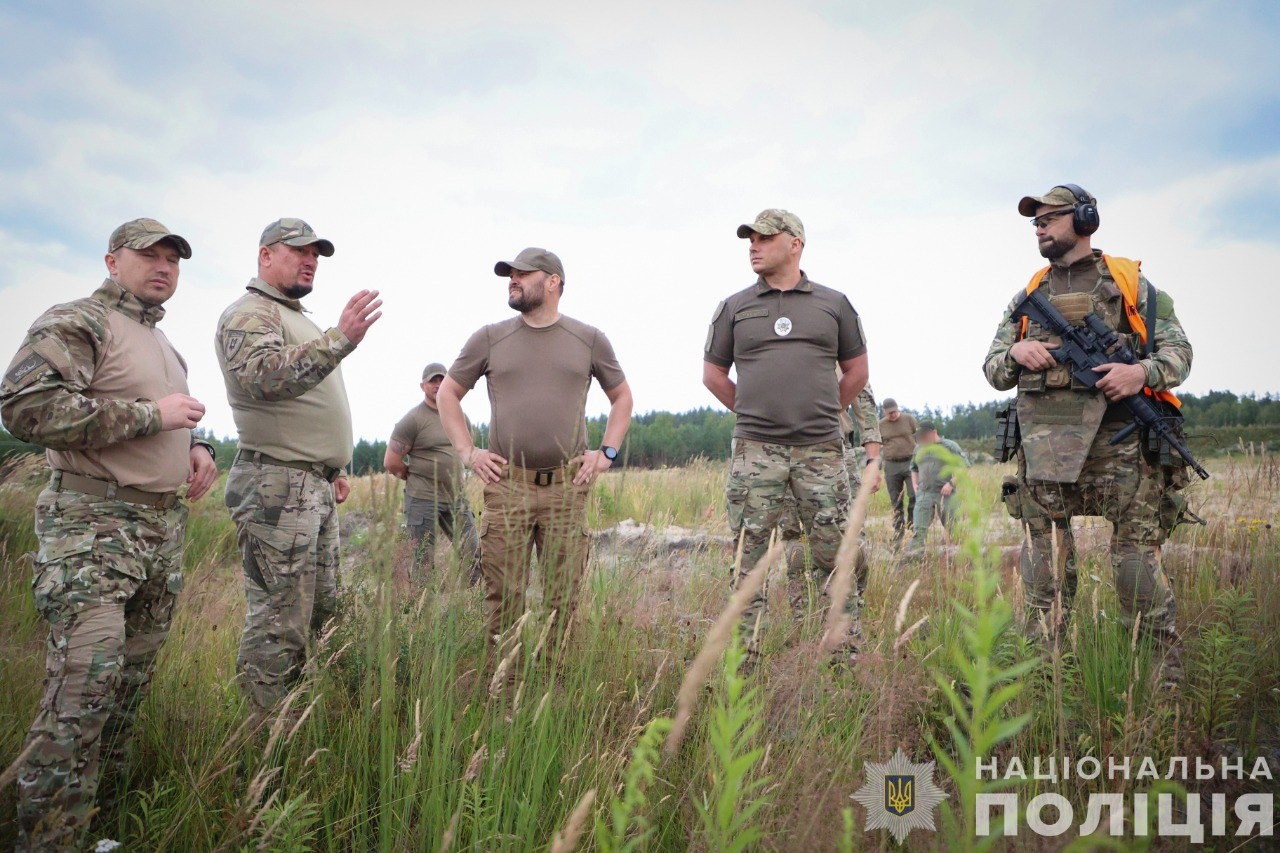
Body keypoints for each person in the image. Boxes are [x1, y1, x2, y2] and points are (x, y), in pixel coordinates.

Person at [1, 218, 218, 849]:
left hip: (157, 532)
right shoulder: (78, 321)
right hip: (92, 533)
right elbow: (26, 408)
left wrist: (196, 447)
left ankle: (95, 829)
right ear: (111, 259)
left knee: (123, 697)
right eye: (148, 255)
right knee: (80, 695)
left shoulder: (164, 344)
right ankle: (46, 841)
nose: (163, 266)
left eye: (173, 259)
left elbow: (165, 417)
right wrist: (154, 416)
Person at [983, 184, 1193, 685]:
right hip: (1043, 453)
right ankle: (1046, 682)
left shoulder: (1134, 289)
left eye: (1049, 218)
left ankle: (1163, 683)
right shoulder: (1027, 297)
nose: (1039, 228)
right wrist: (1014, 355)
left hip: (1121, 452)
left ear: (1084, 218)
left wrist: (1140, 374)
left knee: (1135, 566)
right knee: (1045, 568)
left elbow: (1180, 353)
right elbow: (991, 369)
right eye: (1035, 222)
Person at [215, 218, 382, 716]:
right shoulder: (250, 313)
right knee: (278, 622)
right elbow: (261, 378)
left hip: (312, 487)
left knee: (320, 616)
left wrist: (333, 467)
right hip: (277, 489)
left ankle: (301, 725)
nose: (310, 260)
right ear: (266, 256)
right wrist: (340, 339)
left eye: (316, 254)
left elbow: (308, 404)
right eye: (299, 251)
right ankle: (262, 745)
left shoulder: (298, 318)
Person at [437, 247, 632, 658]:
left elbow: (622, 397)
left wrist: (606, 453)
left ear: (553, 282)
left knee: (564, 601)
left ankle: (555, 690)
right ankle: (504, 691)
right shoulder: (489, 338)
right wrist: (468, 452)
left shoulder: (589, 339)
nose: (513, 280)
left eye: (523, 274)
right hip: (508, 488)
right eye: (510, 274)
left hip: (566, 487)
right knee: (503, 599)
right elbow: (447, 393)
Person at [703, 209, 869, 666]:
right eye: (749, 240)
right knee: (747, 560)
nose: (753, 246)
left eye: (764, 238)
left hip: (822, 451)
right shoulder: (734, 307)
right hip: (755, 452)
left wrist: (823, 412)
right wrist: (755, 413)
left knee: (834, 556)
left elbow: (857, 371)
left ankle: (844, 658)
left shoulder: (834, 305)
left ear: (794, 243)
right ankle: (746, 662)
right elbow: (713, 375)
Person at [384, 362, 480, 583]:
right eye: (432, 381)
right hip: (422, 499)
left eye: (442, 380)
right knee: (423, 561)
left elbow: (467, 450)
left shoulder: (460, 417)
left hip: (455, 498)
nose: (438, 385)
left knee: (473, 554)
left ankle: (471, 606)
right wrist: (413, 475)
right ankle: (422, 609)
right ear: (422, 386)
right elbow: (391, 461)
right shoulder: (413, 420)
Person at [904, 422, 966, 557]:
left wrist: (951, 484)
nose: (922, 439)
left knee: (953, 528)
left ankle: (958, 559)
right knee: (918, 530)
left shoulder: (949, 446)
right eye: (919, 437)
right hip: (924, 494)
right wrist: (915, 485)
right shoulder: (918, 449)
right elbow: (914, 468)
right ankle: (914, 560)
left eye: (924, 436)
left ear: (933, 432)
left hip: (945, 494)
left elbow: (963, 467)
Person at [878, 398, 918, 545]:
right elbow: (876, 445)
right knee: (896, 500)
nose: (893, 415)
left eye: (894, 412)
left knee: (914, 494)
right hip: (891, 465)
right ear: (884, 411)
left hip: (910, 462)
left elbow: (919, 436)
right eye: (889, 413)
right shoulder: (880, 425)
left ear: (898, 408)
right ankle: (898, 531)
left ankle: (913, 525)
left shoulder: (909, 419)